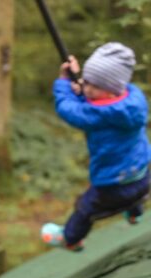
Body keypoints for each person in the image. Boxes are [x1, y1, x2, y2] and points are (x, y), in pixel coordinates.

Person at [41, 42, 150, 251]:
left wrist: (64, 82)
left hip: (112, 186)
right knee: (133, 190)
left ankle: (71, 240)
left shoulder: (96, 115)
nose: (87, 88)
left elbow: (69, 109)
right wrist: (83, 89)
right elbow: (101, 102)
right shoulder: (134, 99)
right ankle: (135, 213)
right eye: (87, 82)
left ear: (111, 90)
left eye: (94, 86)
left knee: (85, 209)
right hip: (143, 175)